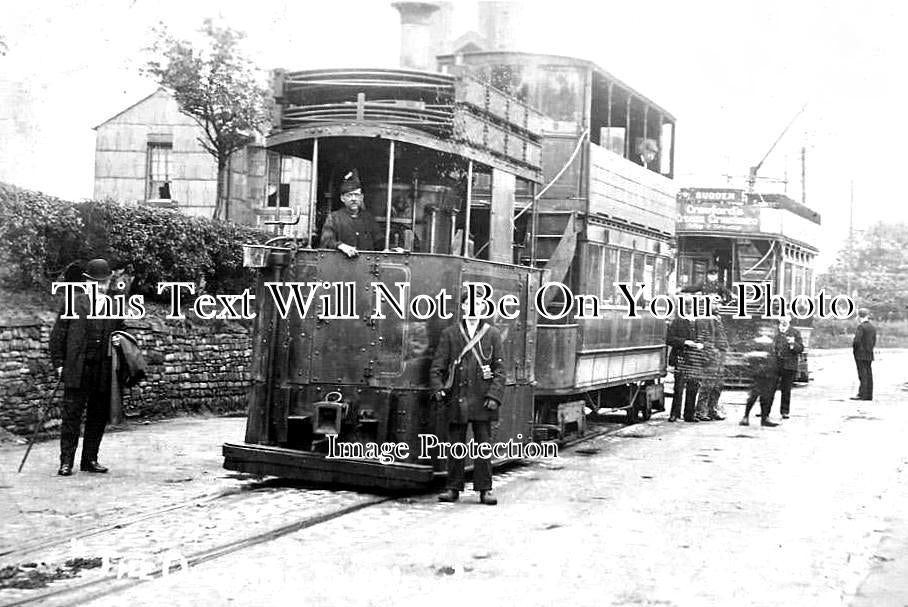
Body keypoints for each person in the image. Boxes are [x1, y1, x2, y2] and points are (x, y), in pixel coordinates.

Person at [49, 258, 124, 476]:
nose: (101, 286)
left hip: (102, 369)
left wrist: (119, 339)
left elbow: (122, 330)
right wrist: (59, 364)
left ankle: (90, 459)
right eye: (96, 282)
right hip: (77, 368)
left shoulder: (115, 306)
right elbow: (58, 336)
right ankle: (66, 462)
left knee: (97, 416)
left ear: (109, 281)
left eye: (104, 282)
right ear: (88, 282)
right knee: (71, 416)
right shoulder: (73, 303)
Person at [430, 291, 505, 505]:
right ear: (463, 307)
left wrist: (494, 396)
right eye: (469, 303)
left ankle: (485, 489)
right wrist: (438, 390)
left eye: (478, 303)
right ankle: (453, 488)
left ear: (483, 308)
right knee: (456, 445)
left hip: (483, 400)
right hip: (458, 399)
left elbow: (500, 370)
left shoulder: (493, 334)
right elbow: (437, 367)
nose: (473, 308)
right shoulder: (450, 333)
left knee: (483, 445)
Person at [319, 169, 382, 257]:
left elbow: (379, 242)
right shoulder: (334, 218)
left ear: (361, 197)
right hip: (341, 265)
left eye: (356, 195)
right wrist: (341, 246)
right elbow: (326, 240)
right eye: (349, 195)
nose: (353, 199)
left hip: (366, 265)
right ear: (342, 198)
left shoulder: (368, 218)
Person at [690, 303, 729, 422]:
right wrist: (710, 353)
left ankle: (712, 409)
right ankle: (701, 411)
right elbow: (702, 339)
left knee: (718, 385)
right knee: (707, 385)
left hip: (719, 355)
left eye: (719, 304)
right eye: (715, 304)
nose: (718, 306)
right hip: (712, 356)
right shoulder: (704, 318)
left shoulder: (717, 318)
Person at [739, 324, 780, 427]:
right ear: (760, 331)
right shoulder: (756, 341)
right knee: (754, 395)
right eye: (764, 330)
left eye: (769, 330)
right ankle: (745, 417)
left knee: (768, 397)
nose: (767, 332)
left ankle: (765, 418)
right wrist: (760, 355)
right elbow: (747, 355)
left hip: (771, 372)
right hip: (759, 372)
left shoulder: (774, 342)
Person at [665, 308, 700, 422]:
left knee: (693, 387)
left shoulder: (699, 322)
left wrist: (701, 345)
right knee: (678, 387)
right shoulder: (677, 321)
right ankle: (675, 414)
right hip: (681, 357)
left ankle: (689, 415)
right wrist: (685, 342)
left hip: (695, 359)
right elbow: (669, 339)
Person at [773, 315, 803, 419]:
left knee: (786, 389)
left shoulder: (795, 332)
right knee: (769, 388)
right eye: (782, 318)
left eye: (786, 318)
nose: (784, 320)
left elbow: (800, 349)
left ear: (789, 319)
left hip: (789, 365)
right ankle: (765, 411)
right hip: (775, 364)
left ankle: (785, 411)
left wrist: (793, 344)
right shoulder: (775, 331)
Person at [851, 308, 876, 400]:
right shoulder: (872, 327)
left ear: (859, 316)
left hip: (860, 354)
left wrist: (855, 349)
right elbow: (873, 341)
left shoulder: (861, 327)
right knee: (869, 374)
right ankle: (869, 394)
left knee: (862, 374)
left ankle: (862, 394)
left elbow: (857, 340)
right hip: (869, 353)